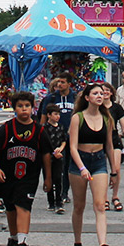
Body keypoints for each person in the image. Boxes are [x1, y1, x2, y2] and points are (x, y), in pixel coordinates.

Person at [0, 92, 53, 246]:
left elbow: (46, 155)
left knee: (23, 205)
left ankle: (23, 242)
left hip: (29, 177)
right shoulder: (8, 128)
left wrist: (48, 178)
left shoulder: (39, 131)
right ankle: (13, 237)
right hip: (8, 175)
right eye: (20, 106)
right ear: (15, 108)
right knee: (10, 208)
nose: (24, 109)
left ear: (33, 108)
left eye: (27, 106)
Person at [68, 83, 118, 246]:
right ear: (87, 97)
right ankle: (77, 241)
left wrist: (114, 170)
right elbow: (72, 147)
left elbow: (109, 146)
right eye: (95, 93)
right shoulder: (78, 118)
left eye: (101, 93)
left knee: (100, 205)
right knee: (79, 206)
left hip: (98, 161)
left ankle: (103, 245)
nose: (99, 96)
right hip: (79, 160)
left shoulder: (106, 118)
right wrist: (81, 168)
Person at [38, 74, 76, 203]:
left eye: (63, 82)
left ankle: (64, 192)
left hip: (70, 136)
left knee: (67, 166)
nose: (60, 84)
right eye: (58, 82)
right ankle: (52, 191)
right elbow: (43, 116)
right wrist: (40, 134)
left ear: (69, 84)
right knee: (51, 164)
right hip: (53, 137)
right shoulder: (51, 97)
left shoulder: (75, 97)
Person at [105, 88, 124, 212]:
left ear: (111, 93)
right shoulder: (97, 107)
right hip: (101, 138)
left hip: (114, 138)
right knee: (102, 169)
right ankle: (104, 198)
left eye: (107, 90)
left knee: (116, 168)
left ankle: (115, 196)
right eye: (102, 90)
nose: (104, 93)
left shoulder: (116, 108)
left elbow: (123, 126)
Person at [41, 104, 68, 213]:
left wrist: (60, 149)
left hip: (58, 156)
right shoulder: (44, 128)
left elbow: (63, 140)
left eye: (58, 114)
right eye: (55, 114)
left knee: (58, 178)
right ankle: (50, 202)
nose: (57, 117)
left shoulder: (60, 127)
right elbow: (43, 143)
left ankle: (59, 202)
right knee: (48, 178)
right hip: (47, 156)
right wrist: (53, 152)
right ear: (49, 115)